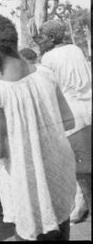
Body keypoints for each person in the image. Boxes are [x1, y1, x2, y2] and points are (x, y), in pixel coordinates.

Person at [0, 13, 76, 241]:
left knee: (29, 233)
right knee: (60, 228)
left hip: (26, 183)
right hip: (58, 173)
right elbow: (69, 121)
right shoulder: (46, 75)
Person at [37, 19, 91, 224]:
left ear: (51, 38)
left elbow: (48, 90)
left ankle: (83, 205)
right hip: (88, 110)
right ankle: (81, 204)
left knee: (80, 168)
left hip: (71, 115)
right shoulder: (75, 50)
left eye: (43, 37)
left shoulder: (49, 58)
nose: (41, 41)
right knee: (84, 164)